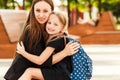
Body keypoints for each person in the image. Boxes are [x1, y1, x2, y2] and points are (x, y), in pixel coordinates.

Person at [4, 0, 79, 80]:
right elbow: (42, 62)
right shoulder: (31, 30)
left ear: (52, 11)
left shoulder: (49, 31)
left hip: (37, 72)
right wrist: (65, 53)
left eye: (45, 11)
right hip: (21, 74)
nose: (41, 15)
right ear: (33, 11)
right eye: (37, 10)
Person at [16, 12, 77, 80]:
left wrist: (23, 52)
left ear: (62, 28)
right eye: (49, 23)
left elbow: (40, 60)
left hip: (59, 73)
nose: (51, 26)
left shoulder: (56, 40)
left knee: (30, 72)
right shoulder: (61, 37)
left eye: (55, 24)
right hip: (62, 72)